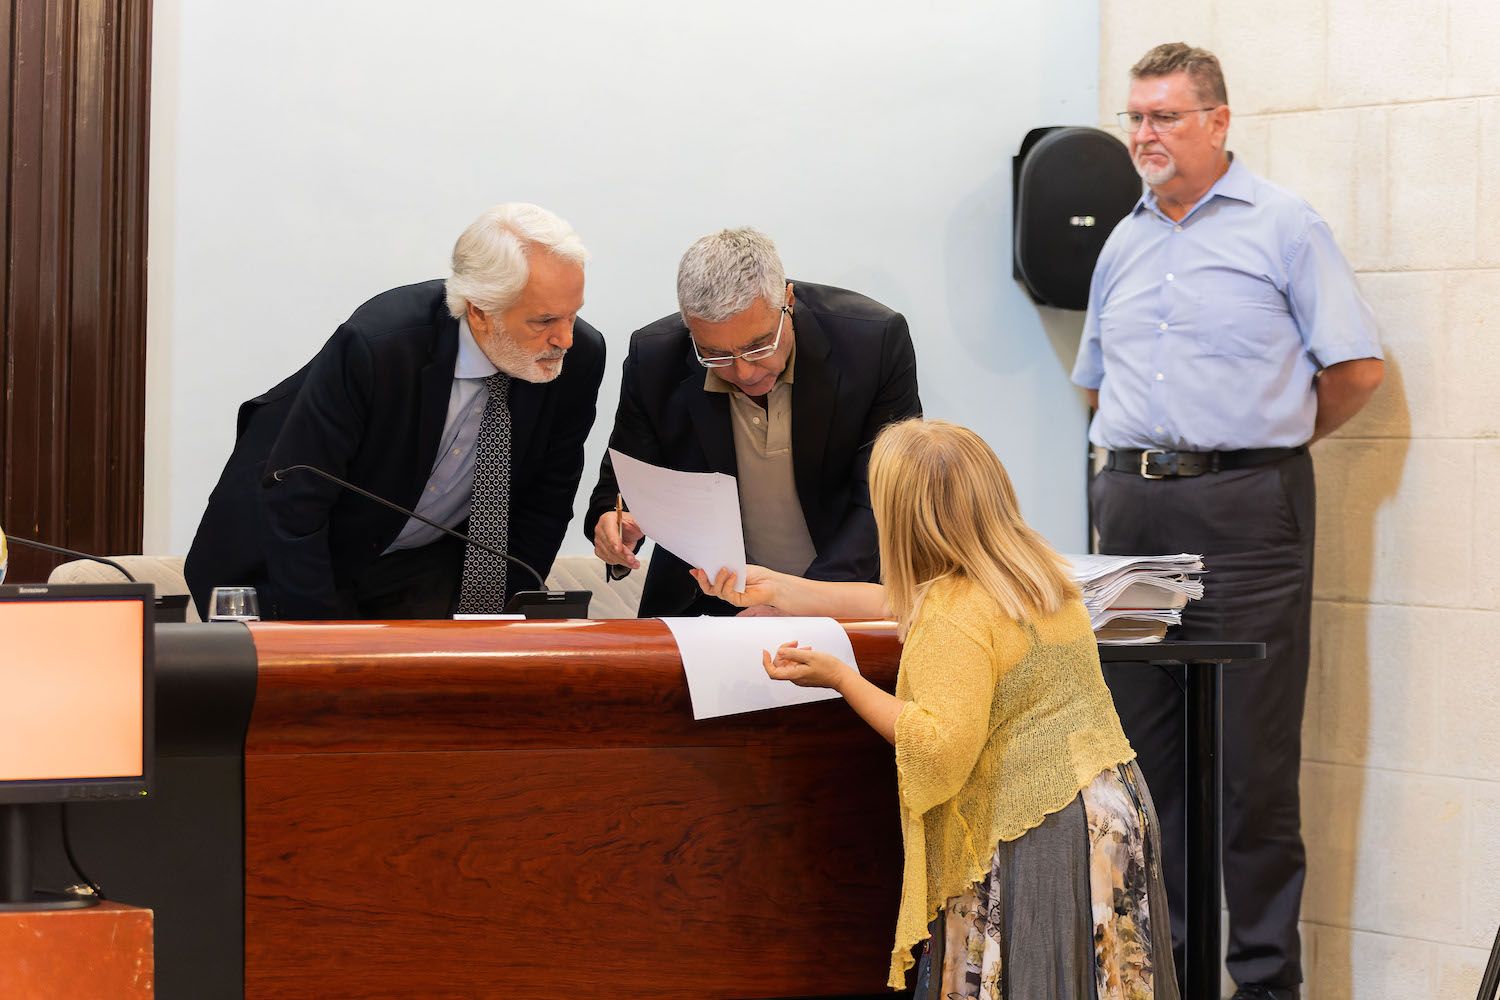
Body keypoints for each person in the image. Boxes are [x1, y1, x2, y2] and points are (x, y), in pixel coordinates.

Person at [1072, 43, 1385, 1000]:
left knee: (1253, 777)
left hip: (1248, 518)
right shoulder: (1121, 240)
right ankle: (1158, 981)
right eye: (1134, 117)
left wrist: (1260, 447)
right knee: (1140, 774)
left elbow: (1356, 372)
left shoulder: (1284, 227)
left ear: (1217, 122)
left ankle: (1264, 987)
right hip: (1130, 514)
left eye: (1165, 116)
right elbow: (1093, 387)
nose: (1143, 136)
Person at [694, 418, 1179, 999]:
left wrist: (842, 679)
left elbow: (939, 746)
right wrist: (782, 590)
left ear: (901, 517)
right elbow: (909, 603)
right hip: (1102, 812)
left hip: (1034, 833)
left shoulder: (956, 617)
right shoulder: (1030, 572)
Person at [185, 203, 606, 620]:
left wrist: (499, 621)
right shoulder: (379, 347)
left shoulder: (579, 358)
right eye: (544, 320)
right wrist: (327, 642)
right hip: (288, 557)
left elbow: (545, 500)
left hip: (416, 564)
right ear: (480, 311)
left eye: (574, 314)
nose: (564, 339)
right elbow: (298, 498)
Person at [584, 227, 921, 617]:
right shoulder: (655, 357)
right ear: (690, 326)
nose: (743, 372)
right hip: (707, 605)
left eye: (758, 345)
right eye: (715, 355)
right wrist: (614, 524)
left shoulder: (873, 343)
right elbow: (622, 484)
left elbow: (882, 498)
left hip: (848, 599)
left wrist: (801, 603)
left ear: (787, 301)